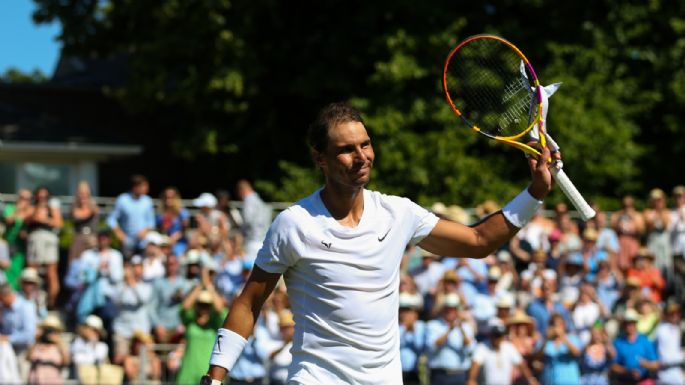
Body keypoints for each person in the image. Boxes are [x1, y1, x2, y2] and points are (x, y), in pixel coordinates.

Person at [202, 102, 554, 385]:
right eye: (346, 149)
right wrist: (215, 379)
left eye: (365, 144)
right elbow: (249, 303)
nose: (361, 156)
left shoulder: (397, 212)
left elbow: (479, 241)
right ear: (320, 159)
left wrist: (535, 192)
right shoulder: (294, 223)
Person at [175, 286, 226, 385]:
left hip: (210, 376)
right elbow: (184, 307)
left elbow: (220, 309)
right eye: (201, 304)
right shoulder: (190, 321)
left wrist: (209, 285)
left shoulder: (216, 323)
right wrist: (199, 285)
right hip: (187, 374)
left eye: (207, 305)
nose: (204, 308)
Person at [25, 186, 63, 308]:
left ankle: (51, 303)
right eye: (40, 196)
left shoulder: (52, 208)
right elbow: (26, 219)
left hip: (48, 238)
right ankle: (32, 301)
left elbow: (59, 223)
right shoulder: (32, 207)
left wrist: (45, 219)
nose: (42, 198)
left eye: (44, 196)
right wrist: (36, 213)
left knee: (51, 273)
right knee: (32, 271)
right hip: (35, 238)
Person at [467, 321, 538, 385]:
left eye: (500, 336)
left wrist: (531, 379)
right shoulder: (482, 348)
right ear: (491, 336)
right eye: (496, 336)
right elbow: (475, 366)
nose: (498, 339)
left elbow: (521, 365)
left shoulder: (508, 347)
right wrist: (471, 380)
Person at [426, 294, 476, 385]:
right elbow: (431, 346)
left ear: (457, 310)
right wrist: (449, 330)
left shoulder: (466, 327)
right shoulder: (433, 325)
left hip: (460, 374)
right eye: (447, 308)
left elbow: (471, 349)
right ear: (443, 309)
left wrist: (461, 330)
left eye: (453, 309)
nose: (450, 311)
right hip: (440, 375)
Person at [107, 174, 155, 257]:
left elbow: (151, 222)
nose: (146, 188)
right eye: (143, 186)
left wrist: (145, 231)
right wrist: (119, 234)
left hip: (143, 243)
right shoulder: (122, 200)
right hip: (127, 243)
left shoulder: (147, 201)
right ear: (136, 186)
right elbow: (111, 219)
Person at [611, 309, 659, 385]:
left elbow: (656, 364)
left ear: (636, 324)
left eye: (632, 323)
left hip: (644, 380)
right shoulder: (618, 343)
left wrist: (647, 364)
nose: (630, 326)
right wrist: (627, 371)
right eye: (627, 323)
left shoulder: (645, 341)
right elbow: (613, 366)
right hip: (624, 381)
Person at [535, 313, 582, 385]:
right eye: (553, 325)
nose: (556, 328)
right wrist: (547, 339)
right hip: (549, 381)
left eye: (559, 325)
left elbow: (577, 353)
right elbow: (537, 357)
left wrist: (563, 337)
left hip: (570, 381)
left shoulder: (573, 338)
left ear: (564, 325)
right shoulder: (544, 341)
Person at [26, 315, 70, 385]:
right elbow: (28, 358)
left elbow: (66, 362)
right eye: (47, 330)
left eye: (52, 330)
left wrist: (58, 342)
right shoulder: (36, 345)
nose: (49, 333)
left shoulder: (60, 346)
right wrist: (36, 340)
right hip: (36, 380)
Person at [236, 179, 272, 261]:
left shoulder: (248, 200)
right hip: (263, 240)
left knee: (249, 270)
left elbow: (247, 221)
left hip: (253, 241)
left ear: (241, 190)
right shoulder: (259, 201)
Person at [397, 292, 425, 385]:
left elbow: (420, 348)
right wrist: (405, 328)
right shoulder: (394, 326)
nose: (404, 313)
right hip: (396, 371)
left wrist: (413, 329)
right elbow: (394, 345)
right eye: (402, 309)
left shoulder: (420, 326)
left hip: (414, 371)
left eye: (408, 309)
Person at [68, 181, 99, 262]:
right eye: (81, 193)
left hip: (92, 238)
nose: (83, 195)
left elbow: (94, 211)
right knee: (75, 264)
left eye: (86, 193)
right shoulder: (74, 206)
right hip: (78, 238)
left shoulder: (93, 204)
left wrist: (89, 203)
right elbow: (79, 214)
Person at [654, 302, 684, 385]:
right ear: (666, 315)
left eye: (677, 313)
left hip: (677, 373)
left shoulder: (676, 329)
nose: (675, 316)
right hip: (665, 374)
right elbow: (665, 357)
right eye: (671, 314)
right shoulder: (662, 330)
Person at [157, 186, 190, 256]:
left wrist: (175, 237)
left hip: (180, 242)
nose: (168, 200)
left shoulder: (182, 212)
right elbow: (160, 230)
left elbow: (185, 229)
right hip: (165, 241)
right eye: (166, 197)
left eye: (171, 197)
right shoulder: (160, 213)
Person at [267, 310, 296, 385]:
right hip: (276, 382)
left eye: (290, 327)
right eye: (284, 328)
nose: (288, 330)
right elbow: (270, 357)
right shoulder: (273, 341)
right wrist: (285, 344)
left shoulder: (299, 344)